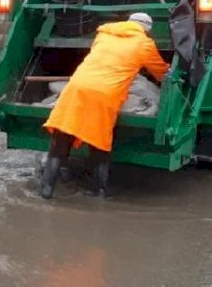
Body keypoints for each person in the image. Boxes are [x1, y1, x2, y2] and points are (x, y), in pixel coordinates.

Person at [40, 12, 170, 199]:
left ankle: (45, 192)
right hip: (103, 94)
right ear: (146, 30)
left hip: (76, 88)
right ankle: (99, 195)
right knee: (98, 146)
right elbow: (161, 73)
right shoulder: (144, 44)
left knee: (60, 144)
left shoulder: (104, 34)